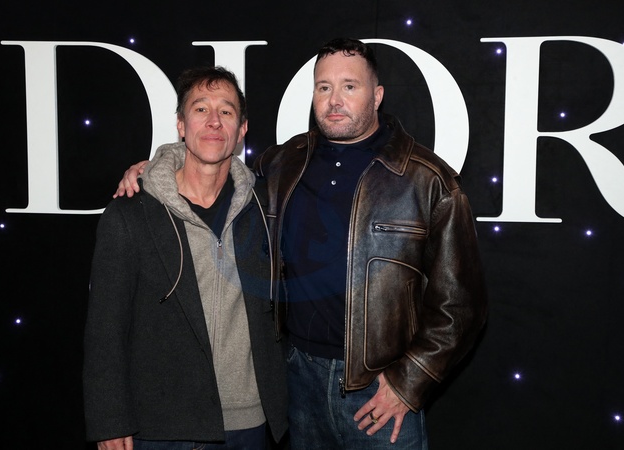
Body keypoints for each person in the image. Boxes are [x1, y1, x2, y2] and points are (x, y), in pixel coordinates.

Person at [116, 38, 487, 449]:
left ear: (377, 95)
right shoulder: (283, 164)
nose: (334, 100)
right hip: (295, 382)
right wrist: (158, 166)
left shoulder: (429, 180)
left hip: (378, 391)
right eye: (324, 87)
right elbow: (212, 163)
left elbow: (461, 305)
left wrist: (408, 381)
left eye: (350, 86)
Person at [84, 67, 288, 450]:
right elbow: (105, 328)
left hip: (250, 424)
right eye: (200, 109)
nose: (214, 121)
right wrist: (109, 420)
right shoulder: (131, 214)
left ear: (242, 130)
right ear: (181, 124)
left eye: (226, 111)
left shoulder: (266, 208)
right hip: (162, 428)